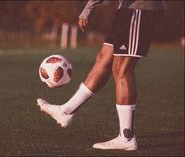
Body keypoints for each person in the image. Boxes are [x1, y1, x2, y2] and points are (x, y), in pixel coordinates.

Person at [37, 0, 165, 151]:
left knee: (122, 69)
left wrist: (88, 8)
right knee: (103, 59)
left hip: (139, 8)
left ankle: (127, 137)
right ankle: (66, 111)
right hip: (127, 9)